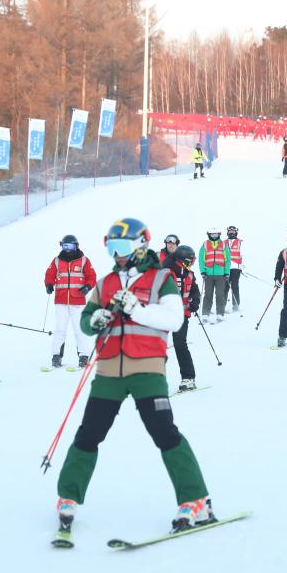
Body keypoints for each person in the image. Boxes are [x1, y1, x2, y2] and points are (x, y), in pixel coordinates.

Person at [54, 217, 214, 539]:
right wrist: (95, 319)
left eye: (123, 247)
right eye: (111, 247)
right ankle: (68, 495)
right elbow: (86, 320)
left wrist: (137, 309)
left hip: (147, 369)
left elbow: (175, 319)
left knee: (165, 434)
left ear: (142, 245)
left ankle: (196, 500)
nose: (117, 254)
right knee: (89, 434)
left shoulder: (161, 279)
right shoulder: (106, 282)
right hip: (110, 370)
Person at [44, 234, 97, 368]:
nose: (67, 249)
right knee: (60, 329)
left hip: (77, 301)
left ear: (76, 246)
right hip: (61, 300)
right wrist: (49, 284)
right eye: (64, 246)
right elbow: (49, 274)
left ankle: (83, 356)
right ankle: (56, 356)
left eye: (70, 246)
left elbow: (92, 276)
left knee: (79, 329)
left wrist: (87, 287)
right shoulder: (56, 261)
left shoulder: (84, 260)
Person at [164, 245, 202, 392]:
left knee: (180, 344)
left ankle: (188, 378)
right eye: (190, 261)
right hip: (164, 315)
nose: (192, 263)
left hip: (181, 316)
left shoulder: (190, 274)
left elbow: (194, 291)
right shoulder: (166, 272)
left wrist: (194, 301)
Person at [198, 227, 231, 322]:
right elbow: (201, 259)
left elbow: (227, 260)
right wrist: (202, 271)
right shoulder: (205, 245)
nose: (214, 236)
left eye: (216, 234)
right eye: (212, 234)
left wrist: (226, 272)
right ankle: (205, 314)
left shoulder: (224, 245)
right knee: (208, 294)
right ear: (209, 235)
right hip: (208, 274)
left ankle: (220, 314)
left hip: (221, 275)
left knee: (220, 295)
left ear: (219, 234)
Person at [226, 225, 243, 312]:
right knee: (225, 286)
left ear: (236, 232)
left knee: (235, 286)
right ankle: (222, 305)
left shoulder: (240, 242)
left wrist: (242, 266)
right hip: (226, 268)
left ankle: (236, 304)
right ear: (227, 232)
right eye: (230, 231)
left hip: (236, 268)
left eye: (233, 231)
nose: (231, 232)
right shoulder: (223, 242)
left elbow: (243, 254)